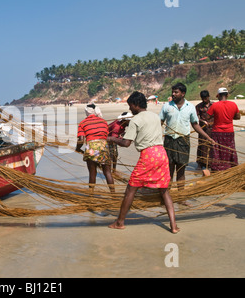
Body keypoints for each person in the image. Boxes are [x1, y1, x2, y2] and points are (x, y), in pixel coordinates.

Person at [108, 91, 179, 233]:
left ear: (135, 104)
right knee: (164, 190)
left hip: (149, 156)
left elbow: (126, 143)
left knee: (131, 189)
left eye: (130, 106)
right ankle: (174, 226)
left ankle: (120, 222)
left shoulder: (135, 120)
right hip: (162, 153)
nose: (130, 109)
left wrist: (111, 139)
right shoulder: (154, 116)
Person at [159, 83, 214, 190]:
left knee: (181, 170)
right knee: (169, 170)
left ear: (183, 94)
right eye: (173, 92)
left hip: (183, 142)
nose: (173, 94)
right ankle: (167, 195)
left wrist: (208, 137)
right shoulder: (167, 106)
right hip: (169, 141)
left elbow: (195, 124)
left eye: (176, 92)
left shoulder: (190, 107)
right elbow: (160, 122)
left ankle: (181, 196)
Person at [75, 103, 115, 193]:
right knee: (107, 172)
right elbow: (105, 135)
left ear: (86, 112)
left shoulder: (83, 123)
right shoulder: (103, 121)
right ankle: (113, 194)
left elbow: (81, 140)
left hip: (91, 148)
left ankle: (91, 194)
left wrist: (77, 148)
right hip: (104, 147)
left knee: (92, 173)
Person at [207, 87, 241, 171]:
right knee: (229, 149)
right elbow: (238, 117)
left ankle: (218, 167)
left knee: (217, 150)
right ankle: (230, 165)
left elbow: (207, 116)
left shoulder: (214, 105)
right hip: (229, 131)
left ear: (218, 96)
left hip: (217, 131)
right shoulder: (233, 104)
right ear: (227, 95)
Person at [195, 90, 214, 169]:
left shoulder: (214, 105)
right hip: (203, 129)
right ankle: (200, 163)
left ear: (208, 97)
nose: (204, 100)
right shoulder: (198, 106)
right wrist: (203, 121)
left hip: (213, 128)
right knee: (202, 145)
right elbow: (195, 118)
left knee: (212, 145)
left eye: (205, 98)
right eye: (203, 98)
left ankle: (210, 163)